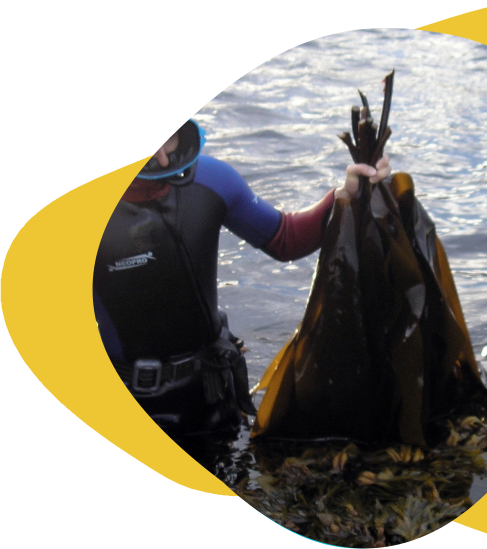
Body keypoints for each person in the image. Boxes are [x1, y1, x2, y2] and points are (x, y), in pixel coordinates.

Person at [93, 118, 390, 438]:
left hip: (211, 394)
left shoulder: (212, 180)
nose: (161, 156)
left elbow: (285, 238)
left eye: (169, 138)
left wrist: (345, 196)